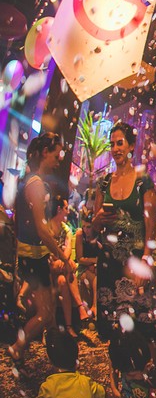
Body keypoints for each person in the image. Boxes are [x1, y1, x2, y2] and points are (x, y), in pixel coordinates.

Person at [92, 122, 156, 365]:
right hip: (110, 264)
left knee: (148, 321)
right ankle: (122, 381)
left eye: (120, 143)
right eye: (112, 144)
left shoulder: (143, 181)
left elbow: (151, 226)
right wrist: (98, 219)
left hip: (135, 262)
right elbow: (93, 228)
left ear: (132, 146)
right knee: (116, 325)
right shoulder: (103, 184)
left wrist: (146, 259)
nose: (115, 149)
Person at [8, 133, 75, 365]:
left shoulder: (30, 181)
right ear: (45, 152)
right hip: (33, 257)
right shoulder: (35, 184)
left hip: (31, 256)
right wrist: (62, 258)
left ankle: (20, 351)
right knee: (46, 313)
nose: (59, 159)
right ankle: (17, 347)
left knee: (44, 310)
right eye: (57, 153)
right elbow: (42, 229)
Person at [34, 327, 108, 398]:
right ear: (76, 360)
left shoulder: (48, 387)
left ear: (50, 360)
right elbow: (105, 396)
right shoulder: (85, 382)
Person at [48, 195, 89, 337]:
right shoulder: (47, 229)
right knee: (69, 267)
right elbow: (48, 254)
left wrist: (63, 261)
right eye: (65, 208)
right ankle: (80, 307)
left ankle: (67, 326)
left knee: (63, 281)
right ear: (58, 209)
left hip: (61, 269)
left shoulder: (66, 229)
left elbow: (66, 253)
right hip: (48, 269)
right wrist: (63, 261)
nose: (67, 211)